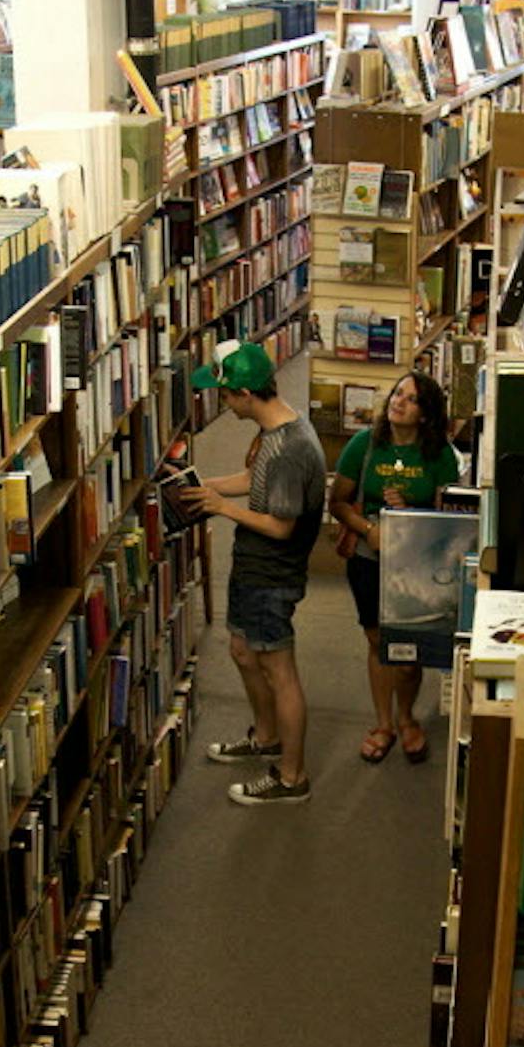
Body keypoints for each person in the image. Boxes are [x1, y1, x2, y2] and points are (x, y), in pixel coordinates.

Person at [178, 341, 326, 806]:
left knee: (279, 669)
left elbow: (281, 526)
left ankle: (291, 776)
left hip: (271, 574)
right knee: (244, 650)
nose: (223, 403)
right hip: (253, 566)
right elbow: (251, 481)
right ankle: (265, 738)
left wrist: (221, 508)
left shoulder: (288, 449)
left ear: (244, 393)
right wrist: (198, 486)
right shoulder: (274, 431)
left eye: (225, 395)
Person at [330, 372, 459, 765]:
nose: (398, 401)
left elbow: (450, 517)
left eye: (411, 399)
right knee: (377, 642)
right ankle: (384, 723)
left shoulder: (439, 455)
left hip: (416, 565)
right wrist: (369, 529)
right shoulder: (364, 445)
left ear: (426, 414)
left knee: (409, 648)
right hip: (369, 561)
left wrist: (410, 514)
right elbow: (337, 503)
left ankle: (407, 718)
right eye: (397, 393)